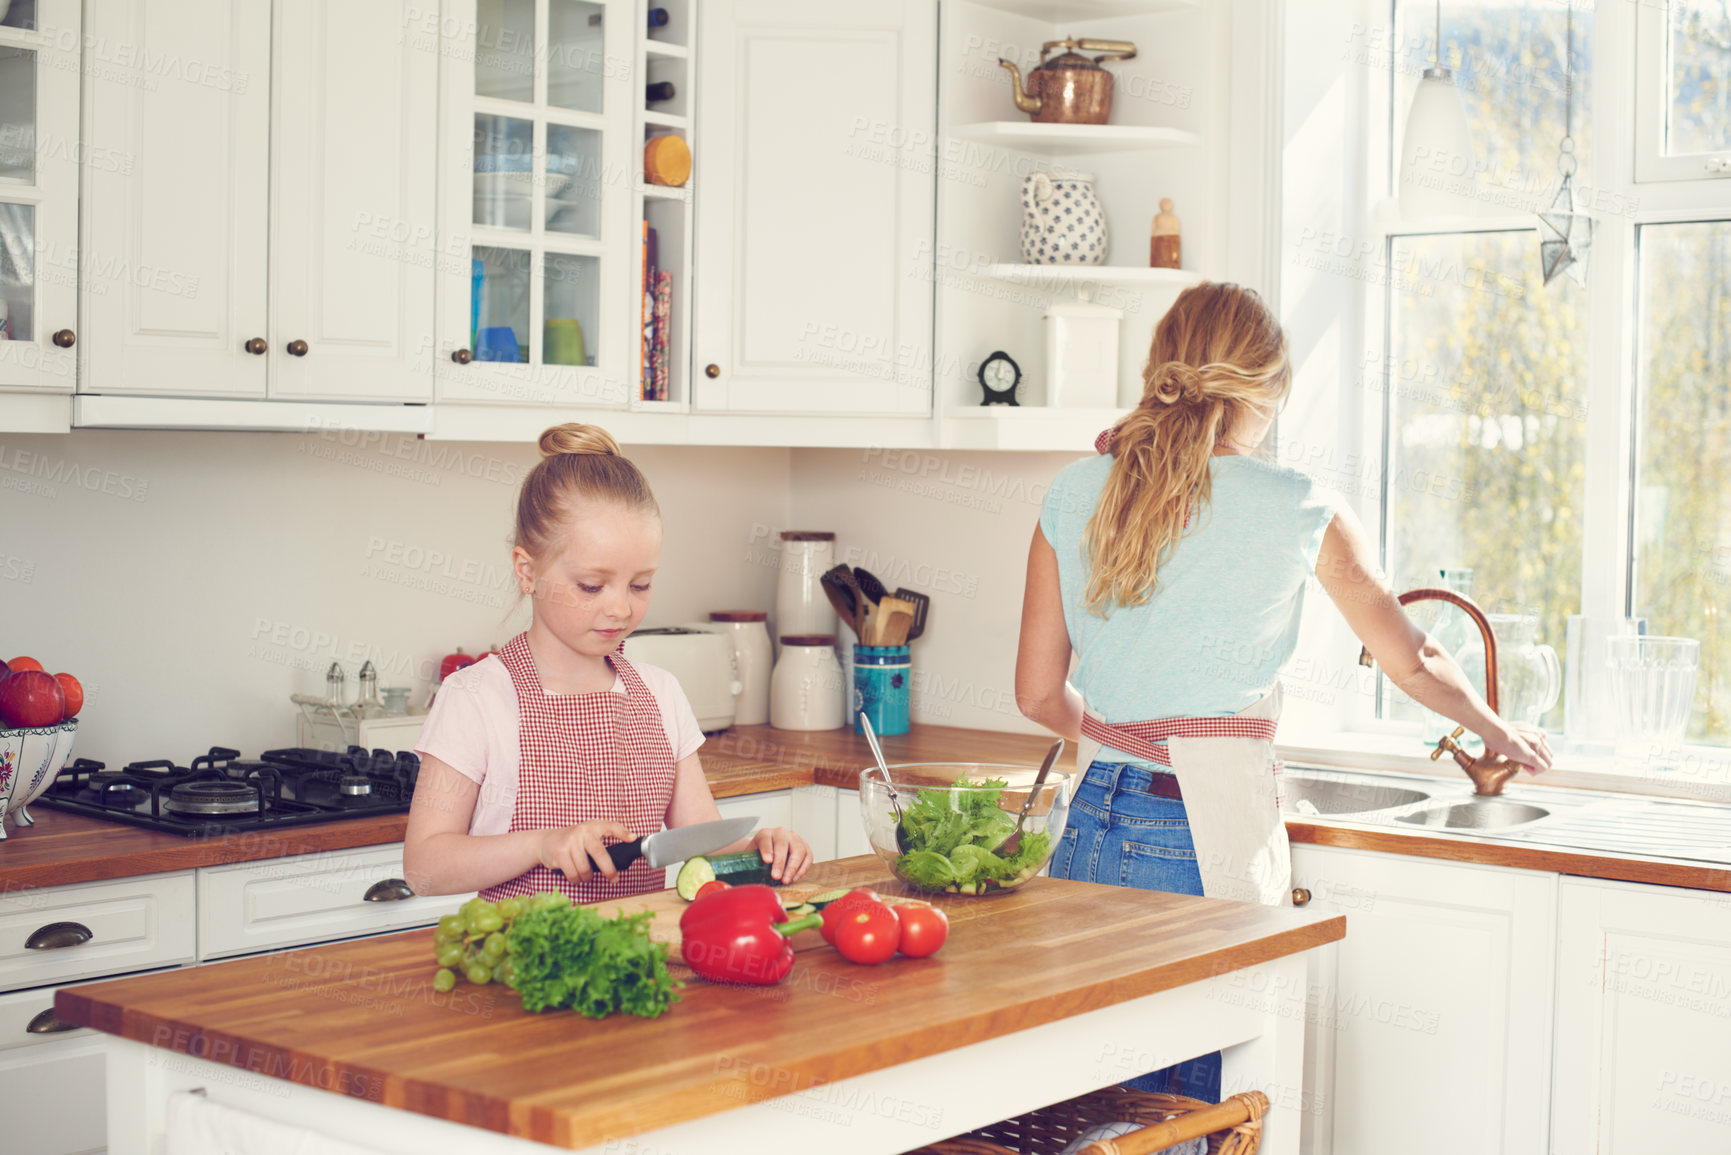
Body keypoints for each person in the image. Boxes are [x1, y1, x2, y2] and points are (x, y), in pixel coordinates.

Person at [1014, 282, 1551, 1099]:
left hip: (1085, 816)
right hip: (1197, 833)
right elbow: (1410, 657)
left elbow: (1034, 693)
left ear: (1161, 366)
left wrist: (1121, 736)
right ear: (1264, 390)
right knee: (1180, 1115)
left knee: (1075, 1099)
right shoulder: (1300, 506)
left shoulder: (1075, 489)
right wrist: (1494, 728)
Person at [404, 423, 812, 901]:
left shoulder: (660, 694)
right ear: (527, 571)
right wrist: (542, 845)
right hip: (523, 968)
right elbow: (425, 867)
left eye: (640, 585)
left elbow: (703, 839)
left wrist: (760, 851)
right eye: (592, 586)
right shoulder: (476, 699)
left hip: (639, 960)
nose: (620, 608)